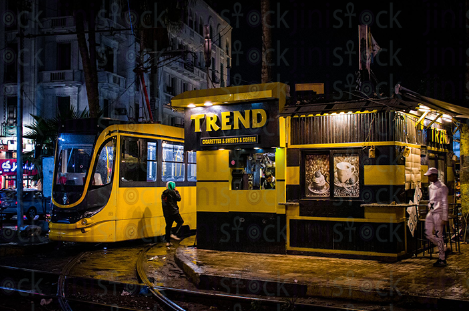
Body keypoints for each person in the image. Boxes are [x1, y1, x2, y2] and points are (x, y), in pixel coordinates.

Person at [424, 167, 449, 267]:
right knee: (428, 233)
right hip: (431, 212)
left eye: (430, 176)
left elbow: (444, 202)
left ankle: (442, 258)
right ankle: (443, 247)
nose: (429, 177)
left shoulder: (442, 187)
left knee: (439, 235)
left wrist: (444, 217)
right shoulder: (430, 187)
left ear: (435, 175)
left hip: (438, 213)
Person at [161, 181, 184, 247]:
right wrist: (176, 191)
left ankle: (168, 242)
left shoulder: (163, 194)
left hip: (166, 212)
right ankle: (173, 233)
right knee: (180, 221)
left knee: (168, 226)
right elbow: (179, 198)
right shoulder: (172, 192)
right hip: (173, 211)